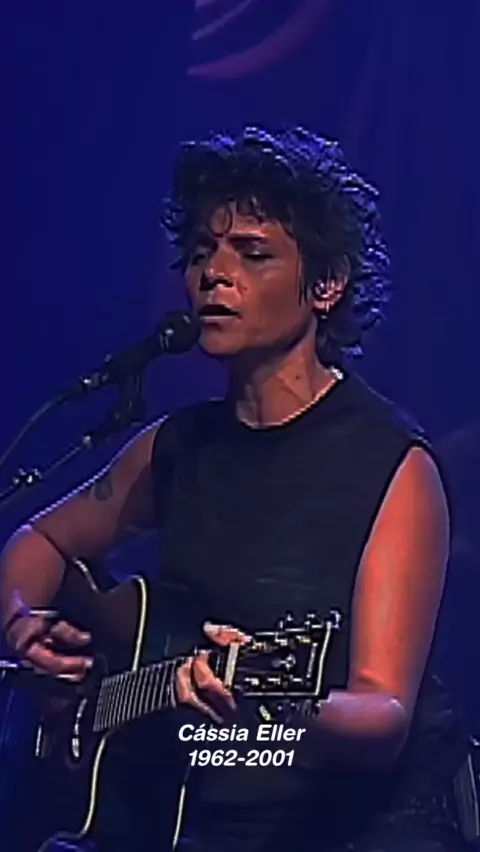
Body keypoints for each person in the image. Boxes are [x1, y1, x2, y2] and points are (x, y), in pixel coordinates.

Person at [0, 125, 474, 852]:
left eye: (252, 254)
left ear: (326, 285)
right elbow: (37, 540)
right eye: (200, 253)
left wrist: (274, 696)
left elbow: (383, 714)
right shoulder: (175, 446)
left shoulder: (393, 464)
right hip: (188, 808)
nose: (214, 275)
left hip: (346, 826)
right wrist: (22, 625)